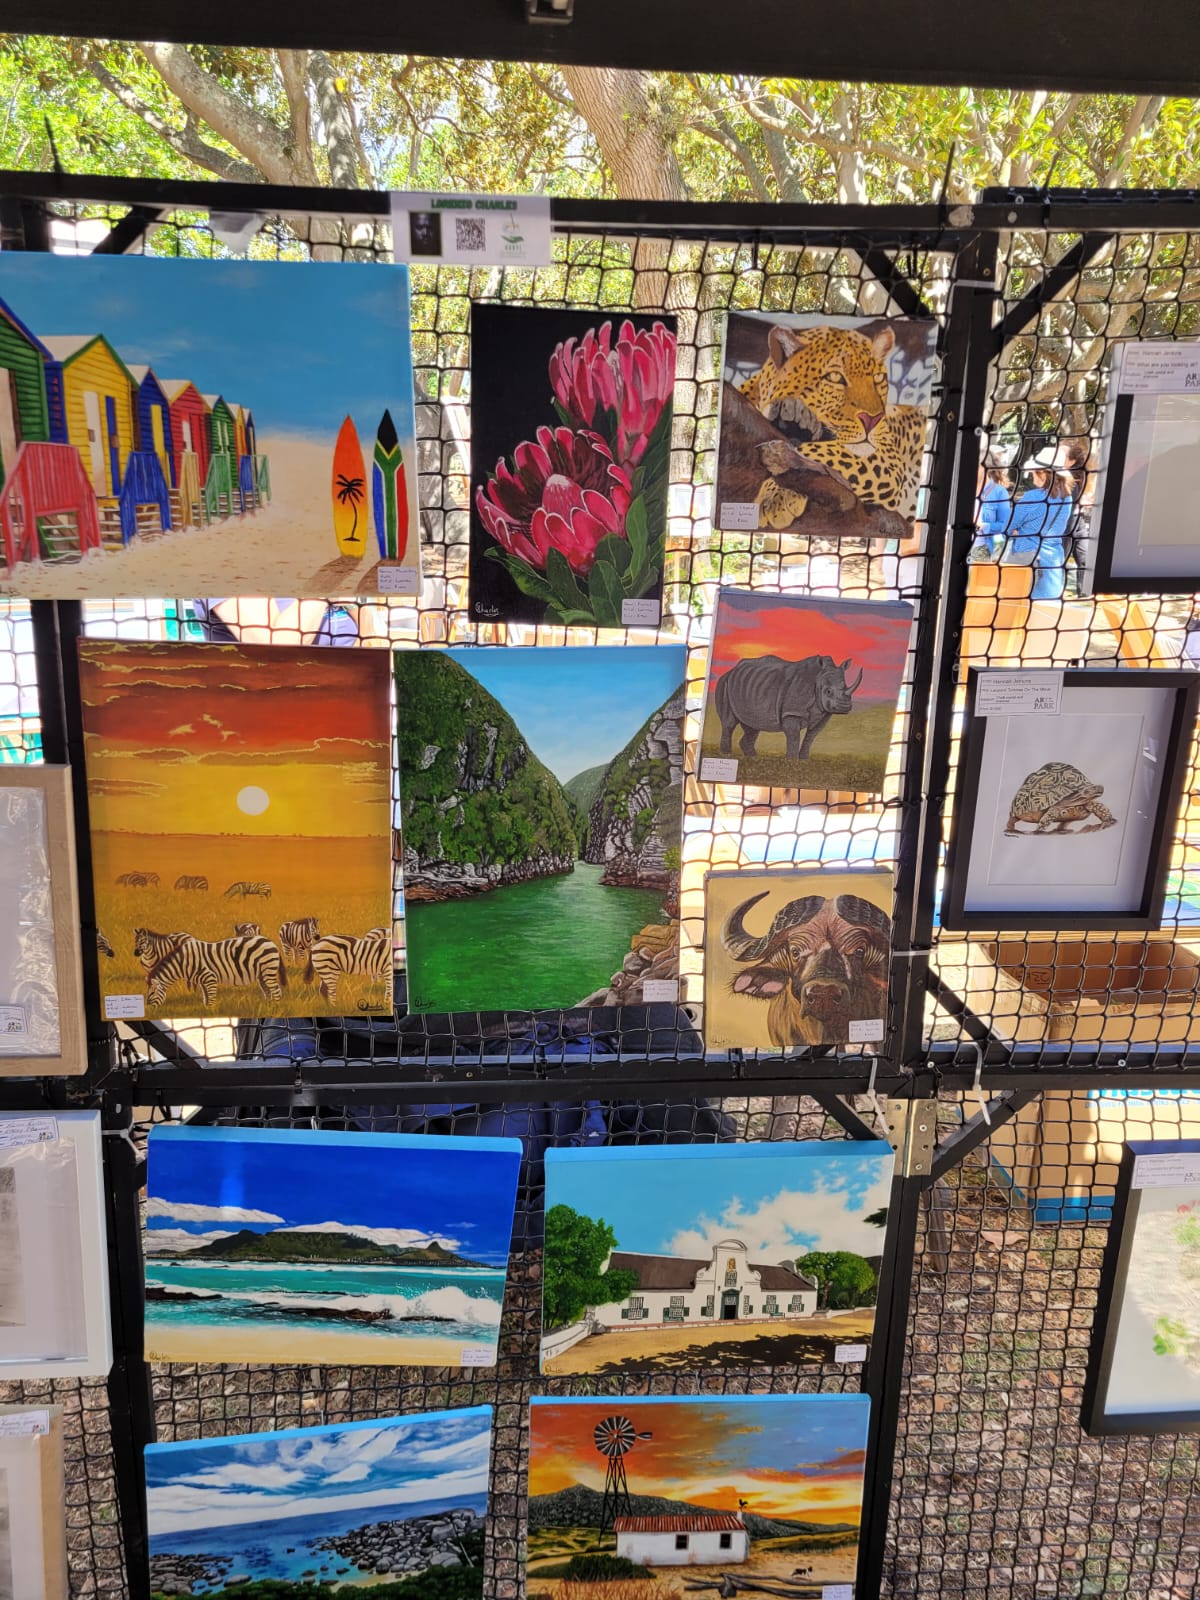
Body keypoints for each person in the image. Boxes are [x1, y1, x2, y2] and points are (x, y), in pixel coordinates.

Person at [1003, 448, 1076, 600]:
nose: (1031, 476)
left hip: (1027, 558)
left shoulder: (1033, 497)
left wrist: (1017, 532)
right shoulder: (1067, 497)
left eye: (1034, 472)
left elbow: (1008, 526)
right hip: (1053, 561)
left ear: (1042, 473)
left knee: (1016, 604)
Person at [970, 453, 1013, 561]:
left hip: (983, 550)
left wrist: (983, 526)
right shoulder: (962, 488)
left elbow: (1005, 526)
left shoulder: (1000, 492)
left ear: (986, 468)